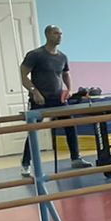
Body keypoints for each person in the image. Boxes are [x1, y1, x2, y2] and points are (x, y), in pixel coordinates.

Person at [19, 24, 90, 175]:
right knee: (33, 130)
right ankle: (25, 164)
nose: (59, 36)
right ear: (47, 35)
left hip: (58, 99)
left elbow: (65, 74)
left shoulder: (62, 57)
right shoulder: (35, 55)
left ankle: (75, 158)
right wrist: (34, 92)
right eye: (56, 33)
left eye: (61, 33)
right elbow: (23, 75)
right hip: (40, 100)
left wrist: (69, 89)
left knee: (69, 125)